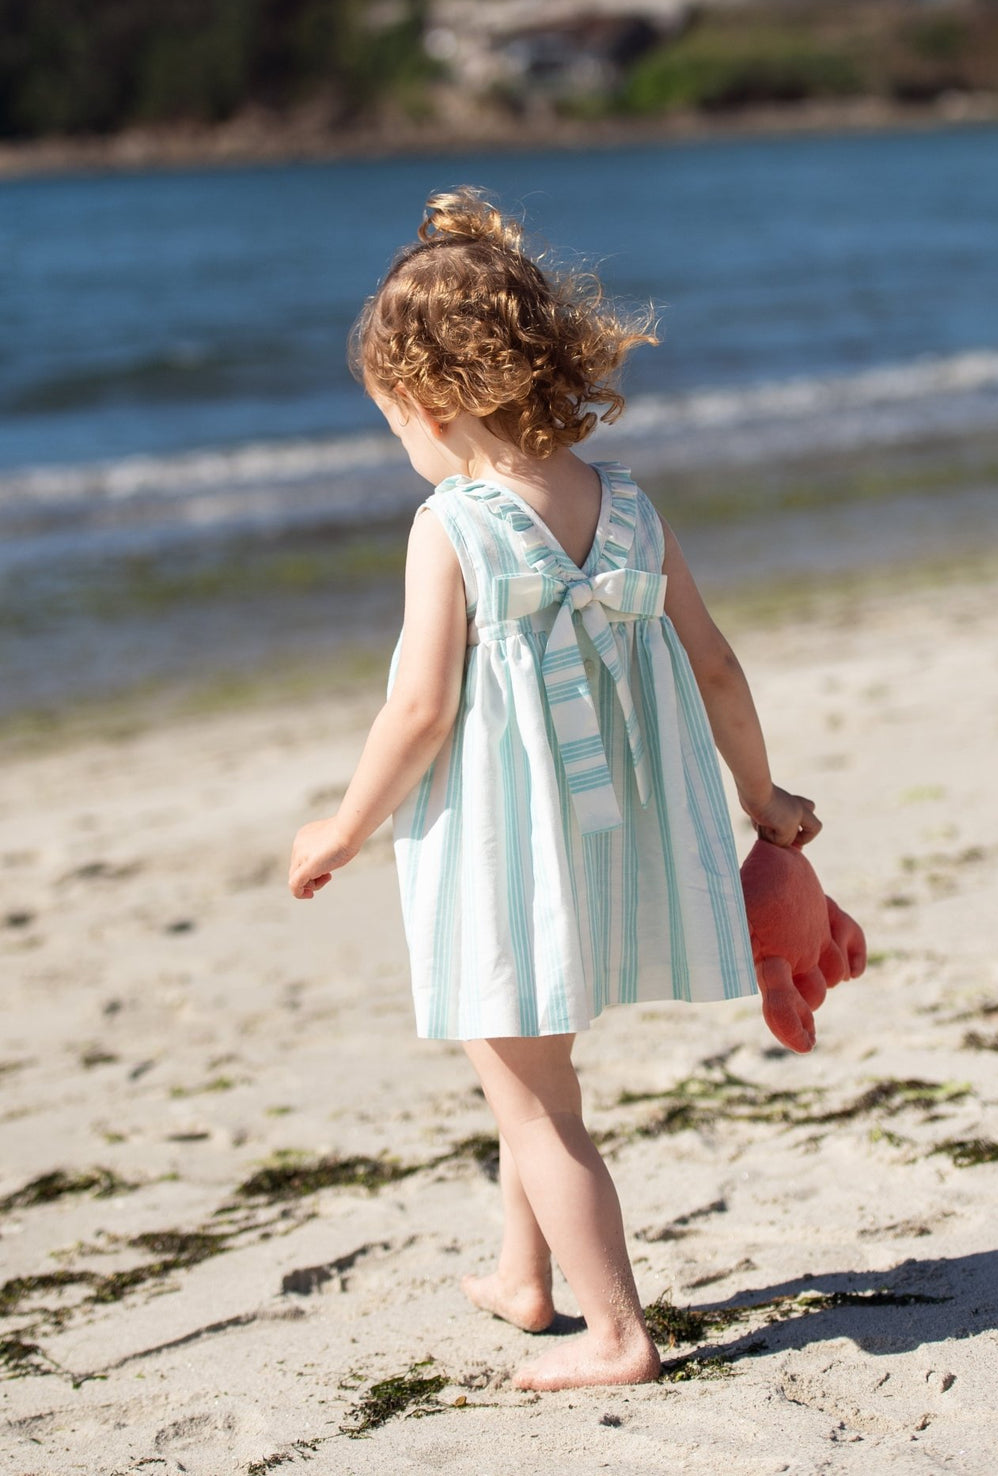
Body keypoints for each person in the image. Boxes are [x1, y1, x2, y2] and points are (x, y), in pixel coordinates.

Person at [288, 187, 821, 1392]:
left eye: (393, 423)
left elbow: (417, 712)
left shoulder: (454, 527)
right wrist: (762, 795)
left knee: (538, 1105)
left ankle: (618, 1333)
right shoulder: (626, 503)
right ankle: (524, 1280)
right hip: (613, 846)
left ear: (424, 404)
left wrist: (344, 827)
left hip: (509, 853)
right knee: (522, 1070)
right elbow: (716, 661)